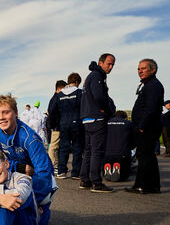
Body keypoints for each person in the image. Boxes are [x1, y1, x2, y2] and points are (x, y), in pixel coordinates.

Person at [0, 94, 55, 225]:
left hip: (38, 178)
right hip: (18, 173)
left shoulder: (30, 137)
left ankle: (42, 208)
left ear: (16, 113)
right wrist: (20, 167)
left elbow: (43, 172)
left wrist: (32, 201)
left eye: (6, 112)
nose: (1, 117)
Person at [126, 59, 164, 194]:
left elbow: (151, 108)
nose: (140, 71)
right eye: (138, 69)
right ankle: (153, 186)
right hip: (147, 126)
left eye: (143, 68)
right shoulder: (148, 84)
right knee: (148, 156)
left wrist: (142, 125)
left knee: (144, 156)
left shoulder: (153, 85)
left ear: (153, 70)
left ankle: (142, 185)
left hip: (147, 127)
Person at [80, 53, 116, 193]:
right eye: (109, 63)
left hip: (87, 117)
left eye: (113, 64)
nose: (111, 67)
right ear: (101, 63)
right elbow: (99, 96)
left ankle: (85, 180)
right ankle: (96, 182)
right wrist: (107, 110)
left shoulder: (91, 75)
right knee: (96, 151)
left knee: (89, 151)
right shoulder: (97, 76)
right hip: (96, 117)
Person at [50, 75, 83, 179]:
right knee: (77, 147)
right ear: (77, 82)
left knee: (63, 147)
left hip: (63, 123)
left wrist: (54, 124)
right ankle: (75, 173)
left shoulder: (59, 95)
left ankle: (61, 171)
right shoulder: (80, 93)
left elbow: (52, 110)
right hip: (77, 123)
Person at [104, 111, 135, 182]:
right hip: (123, 153)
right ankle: (122, 174)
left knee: (107, 160)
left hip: (107, 153)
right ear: (125, 117)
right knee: (126, 170)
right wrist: (131, 147)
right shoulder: (128, 123)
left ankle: (107, 167)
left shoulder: (107, 123)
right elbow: (134, 138)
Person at [46, 80, 67, 173]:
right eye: (64, 88)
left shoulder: (54, 98)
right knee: (53, 146)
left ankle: (55, 165)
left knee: (56, 146)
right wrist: (53, 125)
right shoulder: (56, 98)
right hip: (56, 126)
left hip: (56, 125)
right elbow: (51, 113)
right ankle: (53, 165)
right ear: (59, 89)